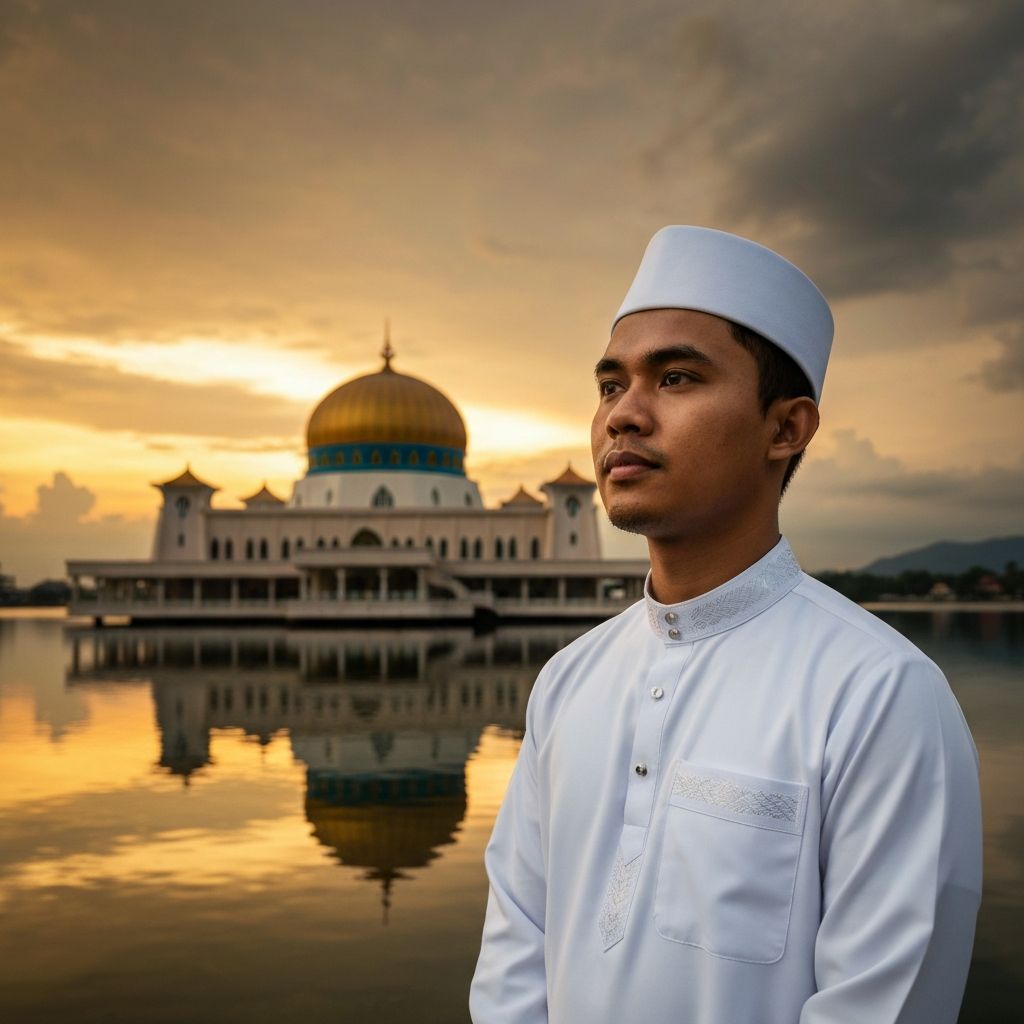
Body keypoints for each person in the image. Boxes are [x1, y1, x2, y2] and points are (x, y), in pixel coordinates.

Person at [469, 226, 982, 1024]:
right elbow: (514, 957)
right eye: (610, 386)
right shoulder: (569, 681)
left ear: (786, 428)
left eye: (675, 378)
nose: (623, 417)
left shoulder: (878, 695)